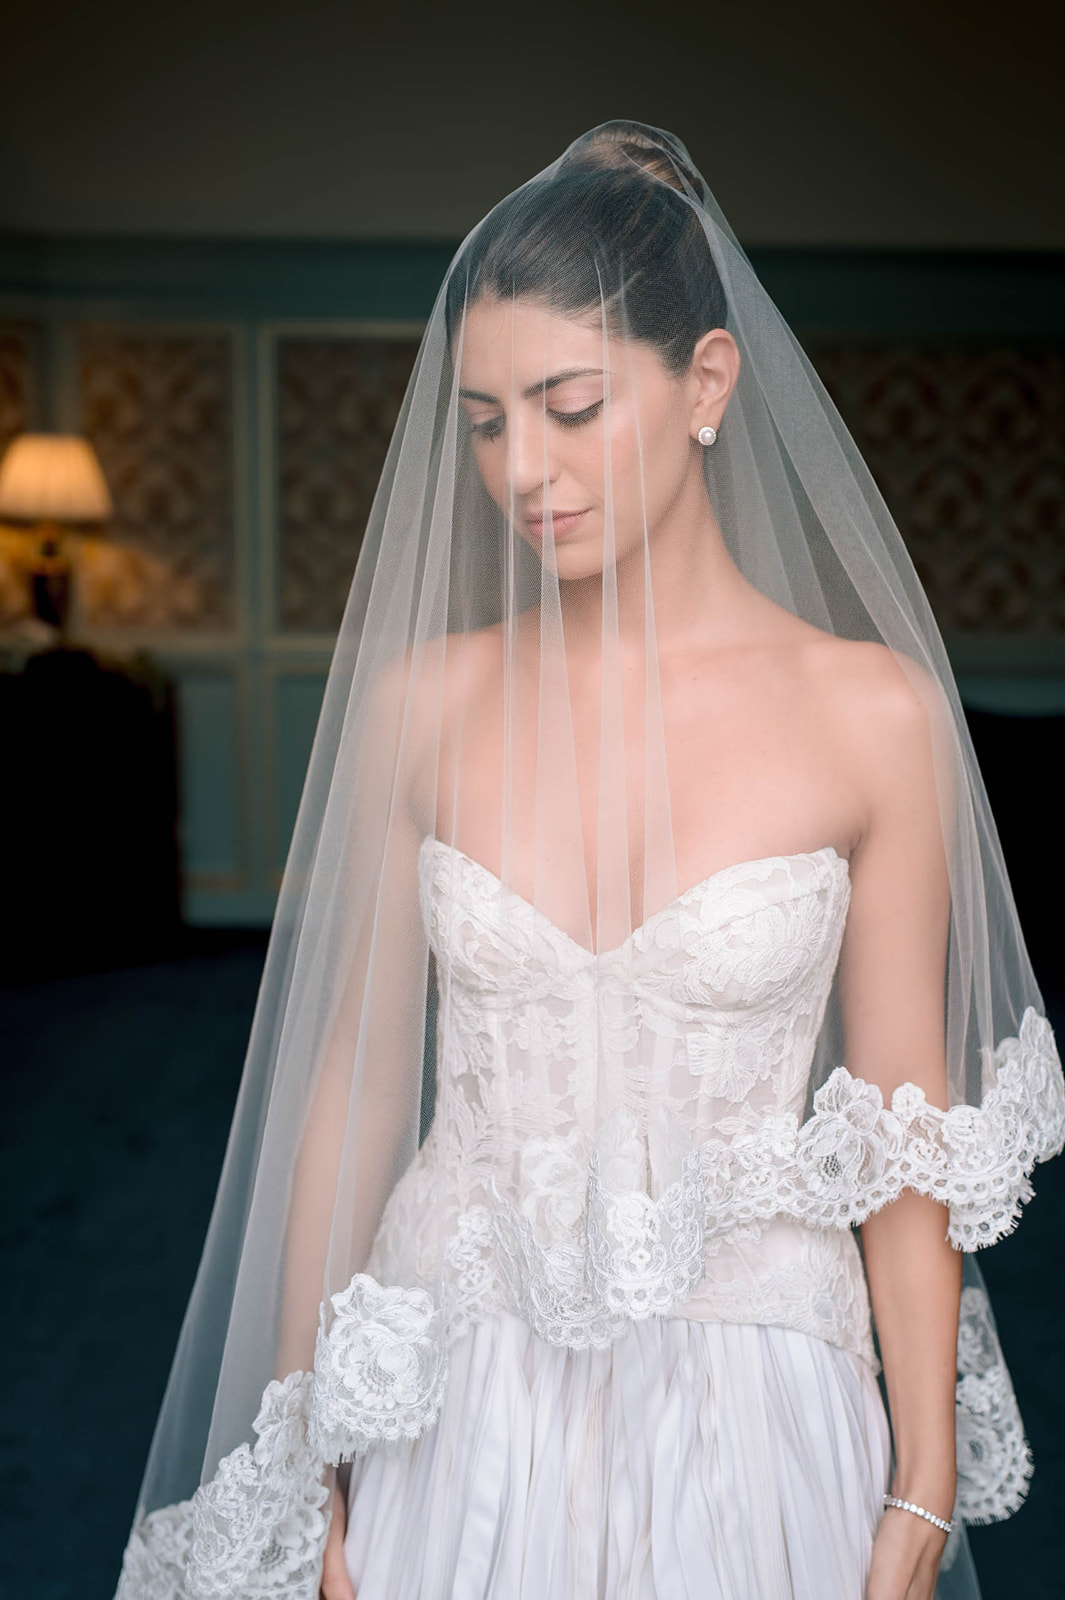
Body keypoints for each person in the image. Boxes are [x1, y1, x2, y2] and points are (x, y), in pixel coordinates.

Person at [115, 123, 1064, 1600]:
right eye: (487, 422)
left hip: (761, 1392)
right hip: (455, 1382)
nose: (523, 471)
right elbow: (356, 1092)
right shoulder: (417, 706)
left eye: (568, 407)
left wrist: (921, 1482)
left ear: (705, 383)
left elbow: (906, 1131)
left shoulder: (871, 714)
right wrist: (306, 1451)